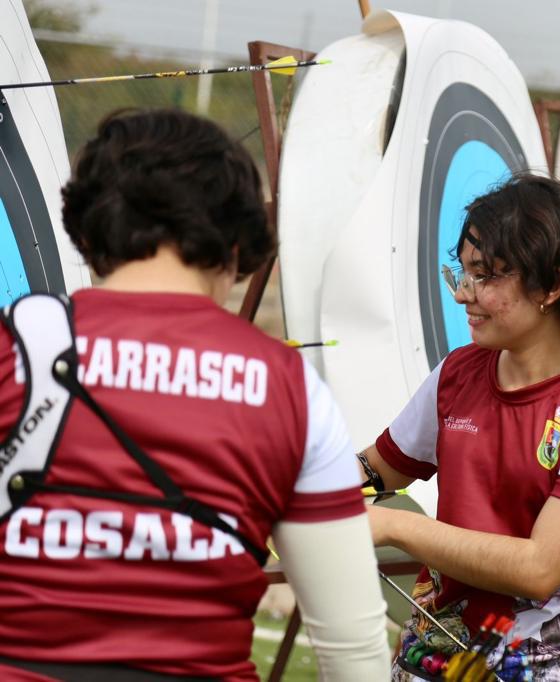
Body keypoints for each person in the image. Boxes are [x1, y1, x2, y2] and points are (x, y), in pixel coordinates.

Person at [0, 109, 390, 681]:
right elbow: (354, 650)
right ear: (240, 242)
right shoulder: (289, 387)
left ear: (85, 230)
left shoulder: (12, 343)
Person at [362, 174, 560, 681]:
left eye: (486, 276)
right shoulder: (457, 374)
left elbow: (538, 568)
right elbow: (376, 471)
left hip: (544, 661)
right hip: (439, 650)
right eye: (462, 272)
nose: (463, 294)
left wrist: (393, 526)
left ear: (551, 285)